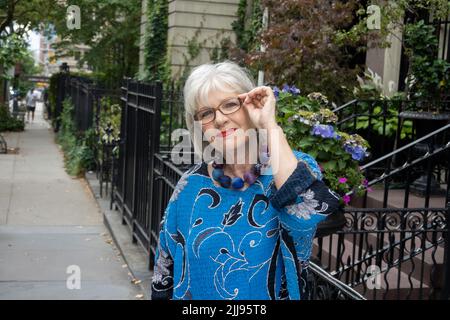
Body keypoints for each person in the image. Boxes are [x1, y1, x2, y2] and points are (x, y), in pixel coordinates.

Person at [151, 61, 340, 300]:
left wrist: (269, 125)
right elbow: (163, 271)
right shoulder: (190, 184)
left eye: (230, 104)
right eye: (206, 113)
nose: (219, 120)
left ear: (251, 105)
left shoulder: (289, 170)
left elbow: (305, 216)